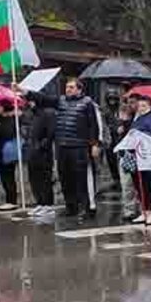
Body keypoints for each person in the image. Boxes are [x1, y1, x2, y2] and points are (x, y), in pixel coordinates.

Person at [54, 78, 103, 219]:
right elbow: (45, 99)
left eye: (71, 87)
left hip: (80, 147)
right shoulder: (61, 101)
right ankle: (71, 207)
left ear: (79, 89)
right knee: (65, 178)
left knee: (82, 180)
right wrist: (26, 92)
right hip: (63, 146)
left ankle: (87, 208)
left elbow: (93, 125)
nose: (67, 89)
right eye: (67, 87)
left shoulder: (87, 103)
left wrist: (95, 144)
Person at [126, 92, 151, 225]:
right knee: (138, 185)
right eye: (139, 105)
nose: (140, 108)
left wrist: (141, 137)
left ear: (150, 106)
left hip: (147, 157)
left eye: (144, 105)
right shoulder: (137, 118)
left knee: (147, 186)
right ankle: (144, 211)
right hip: (135, 156)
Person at [25, 90, 57, 215]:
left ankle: (48, 204)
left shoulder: (48, 113)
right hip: (32, 151)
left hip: (43, 152)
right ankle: (40, 202)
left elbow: (50, 134)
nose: (30, 103)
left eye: (32, 101)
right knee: (34, 178)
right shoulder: (33, 115)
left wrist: (41, 146)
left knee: (44, 178)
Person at [0, 101, 20, 209]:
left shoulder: (9, 120)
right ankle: (9, 200)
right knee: (4, 178)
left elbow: (6, 133)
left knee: (8, 177)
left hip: (6, 153)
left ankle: (12, 200)